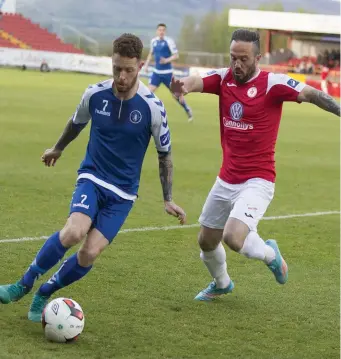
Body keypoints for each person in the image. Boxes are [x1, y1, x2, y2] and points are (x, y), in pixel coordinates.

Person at [0, 33, 186, 320]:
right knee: (74, 231)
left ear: (139, 66)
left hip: (123, 194)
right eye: (116, 69)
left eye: (128, 70)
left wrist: (168, 198)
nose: (121, 77)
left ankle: (44, 293)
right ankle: (23, 284)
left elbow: (165, 154)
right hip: (93, 178)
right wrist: (57, 148)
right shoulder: (95, 94)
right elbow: (76, 123)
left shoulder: (152, 107)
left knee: (89, 253)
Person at [171, 29, 340, 301]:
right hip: (226, 178)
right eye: (233, 58)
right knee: (206, 241)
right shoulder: (224, 77)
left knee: (234, 238)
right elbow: (197, 81)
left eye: (244, 59)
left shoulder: (272, 83)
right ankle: (222, 283)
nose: (237, 64)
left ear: (258, 57)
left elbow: (313, 94)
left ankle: (271, 255)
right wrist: (184, 87)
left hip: (258, 180)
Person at [144, 23, 193, 122]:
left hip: (168, 73)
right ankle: (145, 115)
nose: (161, 32)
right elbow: (151, 53)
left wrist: (166, 60)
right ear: (157, 31)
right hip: (156, 73)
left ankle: (187, 109)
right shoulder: (153, 41)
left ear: (165, 32)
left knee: (176, 95)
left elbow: (176, 55)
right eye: (159, 30)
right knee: (147, 93)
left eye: (163, 30)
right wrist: (146, 64)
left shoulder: (169, 41)